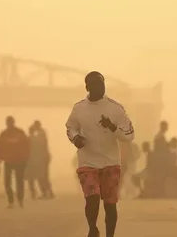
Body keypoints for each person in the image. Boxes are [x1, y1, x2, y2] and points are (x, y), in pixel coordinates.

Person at [66, 71, 135, 237]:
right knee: (92, 198)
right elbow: (70, 127)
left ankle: (110, 234)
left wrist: (112, 127)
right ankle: (92, 228)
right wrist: (75, 138)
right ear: (88, 87)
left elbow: (129, 135)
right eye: (96, 85)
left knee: (110, 204)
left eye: (102, 84)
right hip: (87, 162)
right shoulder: (79, 108)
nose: (101, 88)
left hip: (110, 162)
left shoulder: (115, 108)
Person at [0, 115, 30, 208]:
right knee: (7, 183)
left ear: (13, 123)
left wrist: (26, 159)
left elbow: (27, 146)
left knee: (19, 182)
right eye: (8, 123)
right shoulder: (3, 134)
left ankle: (20, 200)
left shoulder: (20, 133)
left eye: (10, 122)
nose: (9, 124)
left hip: (20, 161)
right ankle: (11, 201)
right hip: (8, 162)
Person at [28, 121, 54, 200]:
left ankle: (46, 192)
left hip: (41, 159)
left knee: (42, 176)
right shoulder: (40, 135)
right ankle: (47, 192)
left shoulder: (40, 135)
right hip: (41, 158)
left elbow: (40, 146)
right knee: (43, 176)